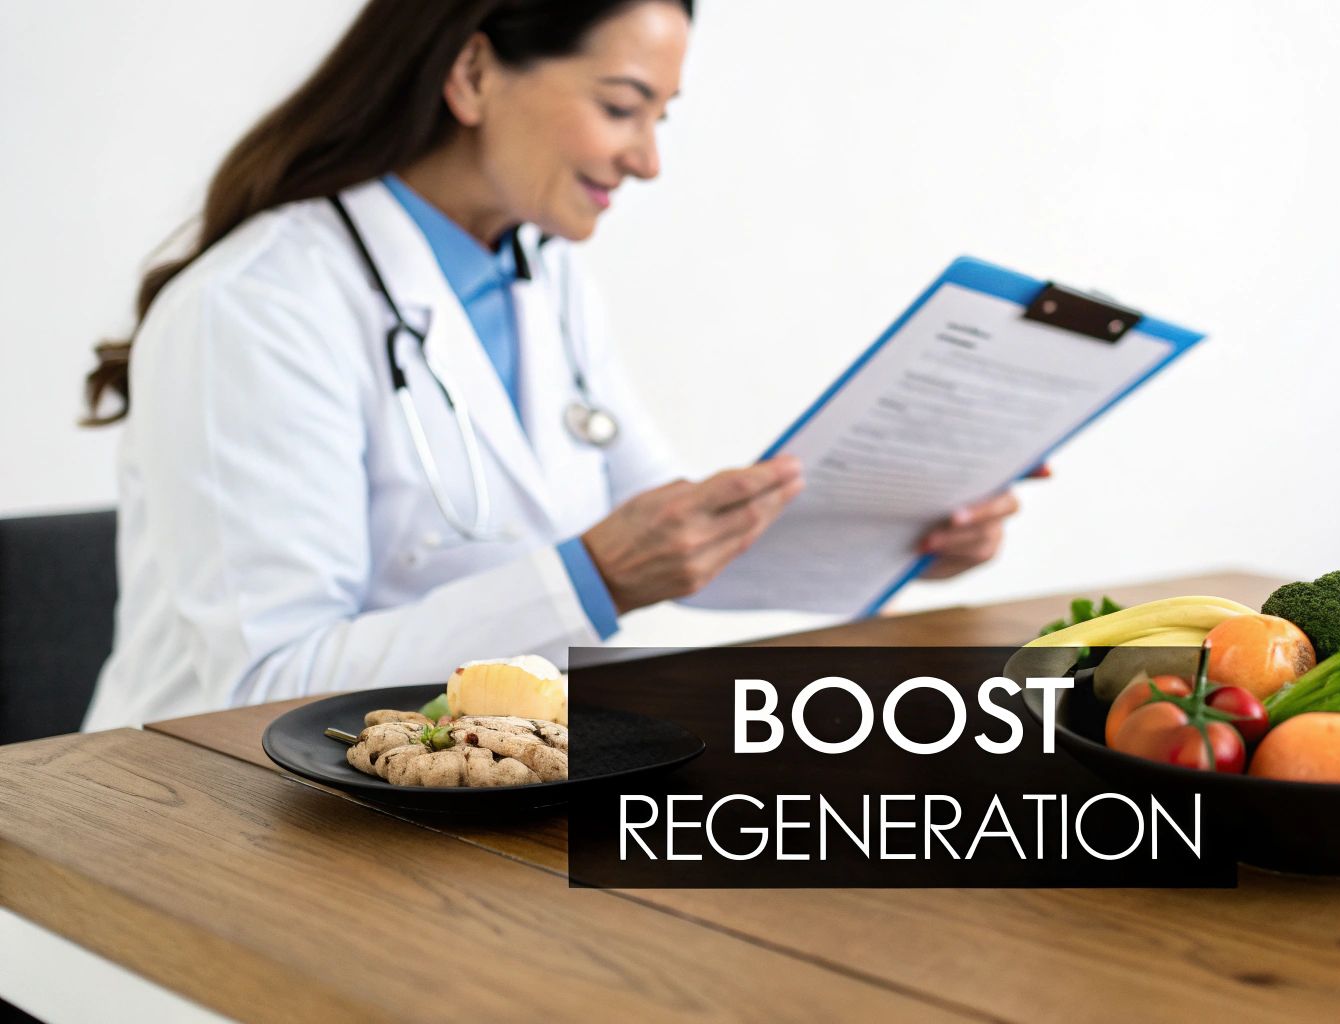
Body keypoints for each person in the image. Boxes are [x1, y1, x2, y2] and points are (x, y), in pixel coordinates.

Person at [80, 0, 1025, 729]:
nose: (648, 159)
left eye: (661, 114)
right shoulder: (257, 303)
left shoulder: (542, 274)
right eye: (622, 106)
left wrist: (911, 531)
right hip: (195, 823)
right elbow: (263, 687)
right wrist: (589, 578)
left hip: (462, 782)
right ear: (473, 71)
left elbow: (679, 536)